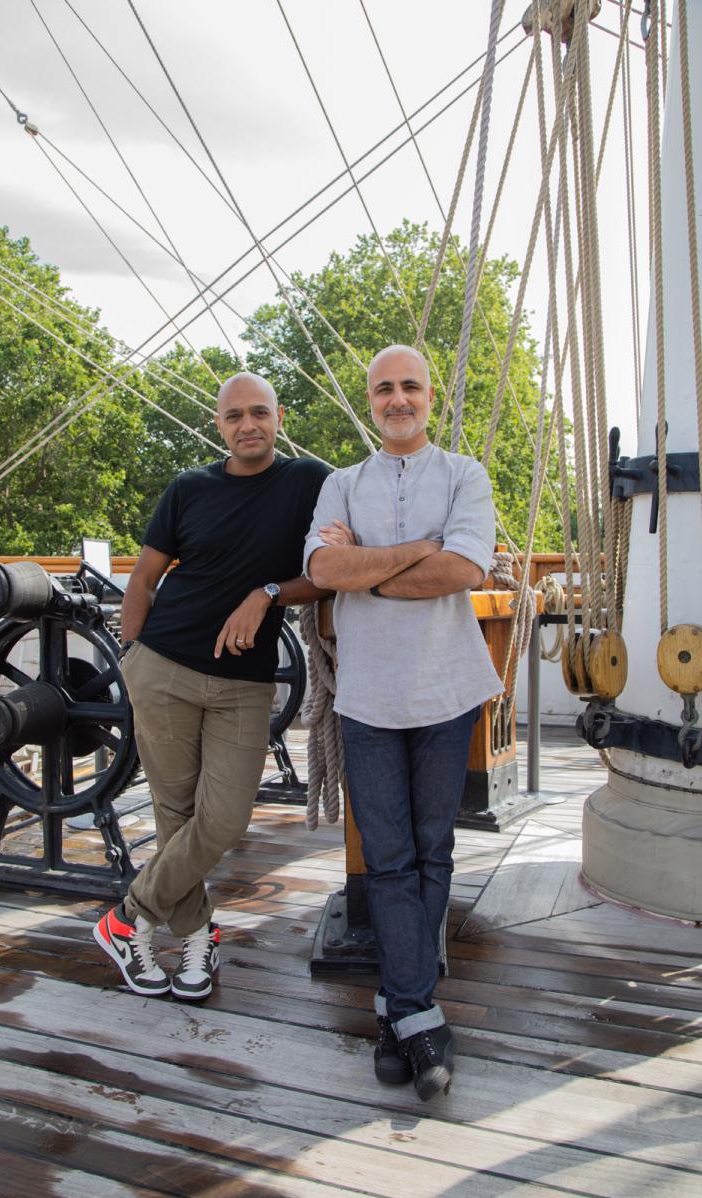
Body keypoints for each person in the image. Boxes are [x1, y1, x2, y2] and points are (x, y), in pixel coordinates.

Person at [304, 344, 502, 1101]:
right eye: (384, 388)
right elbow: (323, 573)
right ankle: (419, 1017)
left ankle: (398, 1011)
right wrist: (418, 550)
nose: (397, 399)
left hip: (447, 690)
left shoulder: (465, 477)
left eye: (409, 386)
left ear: (431, 397)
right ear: (370, 399)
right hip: (369, 698)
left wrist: (374, 566)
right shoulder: (338, 485)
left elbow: (464, 569)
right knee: (387, 858)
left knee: (431, 849)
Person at [94, 372, 329, 1000]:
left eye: (260, 412)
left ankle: (128, 916)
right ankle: (194, 940)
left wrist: (269, 592)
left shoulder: (313, 481)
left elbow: (330, 571)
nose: (248, 424)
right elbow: (143, 577)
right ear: (219, 425)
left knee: (222, 820)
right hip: (163, 669)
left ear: (279, 417)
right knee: (176, 818)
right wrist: (132, 651)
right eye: (234, 416)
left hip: (245, 684)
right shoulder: (189, 488)